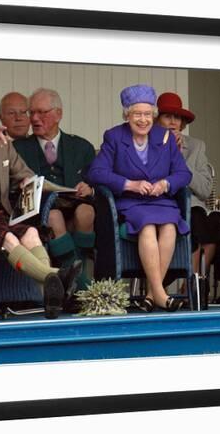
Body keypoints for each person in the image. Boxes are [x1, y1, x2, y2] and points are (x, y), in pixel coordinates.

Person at [0, 83, 81, 319]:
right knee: (8, 238)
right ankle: (57, 275)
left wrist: (29, 183)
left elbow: (24, 173)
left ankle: (50, 299)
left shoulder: (3, 143)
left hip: (0, 213)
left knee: (31, 233)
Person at [87, 84, 192, 312]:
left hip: (161, 201)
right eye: (137, 114)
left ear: (153, 115)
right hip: (132, 203)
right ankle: (162, 296)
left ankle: (151, 295)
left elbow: (184, 174)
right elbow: (96, 173)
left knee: (170, 227)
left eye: (147, 114)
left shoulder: (164, 137)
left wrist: (165, 183)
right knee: (147, 226)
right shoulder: (114, 136)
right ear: (127, 115)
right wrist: (130, 184)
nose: (143, 120)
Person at [13, 88, 96, 292]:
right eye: (31, 113)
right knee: (55, 217)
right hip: (41, 210)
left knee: (87, 212)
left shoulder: (82, 146)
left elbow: (97, 181)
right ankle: (82, 285)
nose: (34, 118)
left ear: (58, 114)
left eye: (42, 112)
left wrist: (90, 188)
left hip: (77, 204)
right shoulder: (18, 148)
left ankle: (76, 272)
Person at [156, 92, 220, 284]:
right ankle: (193, 287)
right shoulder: (149, 145)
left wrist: (181, 158)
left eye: (177, 117)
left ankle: (196, 285)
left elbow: (205, 190)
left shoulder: (196, 146)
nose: (173, 122)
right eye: (167, 116)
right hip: (164, 206)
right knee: (196, 220)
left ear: (182, 124)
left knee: (214, 223)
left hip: (194, 207)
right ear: (157, 121)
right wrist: (168, 151)